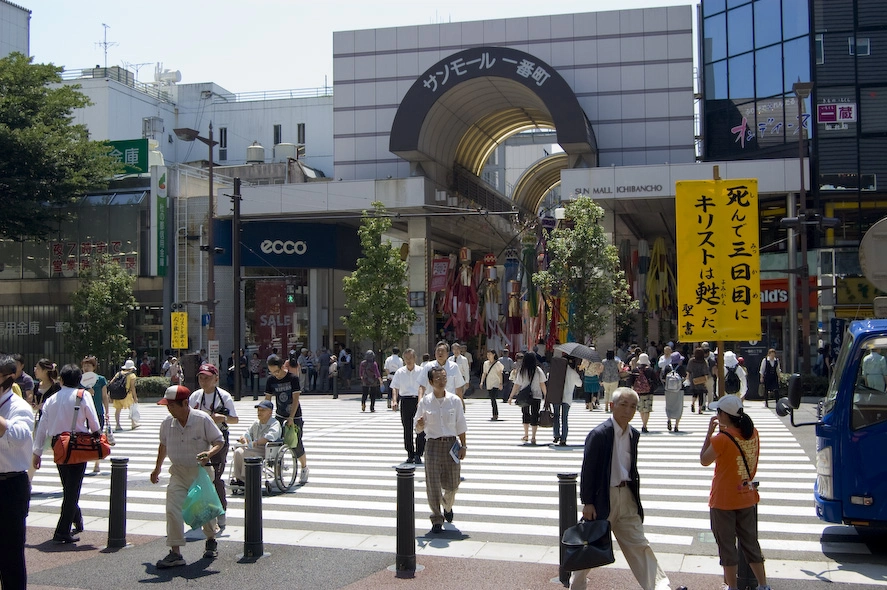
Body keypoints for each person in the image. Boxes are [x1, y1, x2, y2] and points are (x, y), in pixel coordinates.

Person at [570, 387, 685, 590]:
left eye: (633, 406)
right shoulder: (599, 434)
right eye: (623, 405)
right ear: (612, 406)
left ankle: (661, 586)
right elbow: (588, 469)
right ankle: (577, 586)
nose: (628, 410)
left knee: (640, 545)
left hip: (627, 496)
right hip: (604, 497)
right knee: (590, 544)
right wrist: (587, 501)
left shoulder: (633, 434)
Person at [150, 385, 224, 568]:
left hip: (200, 472)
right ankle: (175, 552)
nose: (169, 409)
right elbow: (163, 446)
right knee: (172, 509)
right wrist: (157, 468)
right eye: (167, 406)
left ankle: (211, 539)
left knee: (204, 510)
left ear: (185, 403)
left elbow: (219, 441)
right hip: (178, 472)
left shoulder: (202, 419)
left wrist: (209, 453)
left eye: (172, 405)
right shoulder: (168, 423)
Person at [700, 395, 770, 590]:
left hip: (723, 499)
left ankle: (732, 587)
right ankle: (763, 585)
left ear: (723, 415)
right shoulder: (753, 433)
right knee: (750, 544)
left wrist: (709, 433)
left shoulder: (721, 439)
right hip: (747, 496)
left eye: (718, 412)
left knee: (727, 546)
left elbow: (704, 460)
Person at [32, 364, 101, 545]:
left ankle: (76, 519)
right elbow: (93, 422)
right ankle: (62, 531)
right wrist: (98, 435)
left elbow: (42, 428)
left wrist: (37, 452)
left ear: (61, 379)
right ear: (79, 380)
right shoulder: (83, 395)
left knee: (68, 486)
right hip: (78, 444)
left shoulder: (51, 399)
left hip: (58, 445)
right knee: (73, 488)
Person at [414, 366, 467, 534]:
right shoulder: (425, 402)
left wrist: (464, 445)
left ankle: (447, 506)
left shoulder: (454, 400)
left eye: (444, 378)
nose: (442, 381)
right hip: (433, 445)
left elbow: (461, 424)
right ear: (430, 382)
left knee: (453, 484)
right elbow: (417, 428)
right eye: (438, 378)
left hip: (452, 444)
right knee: (433, 484)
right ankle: (436, 517)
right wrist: (420, 425)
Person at [189, 363, 239, 530]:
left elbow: (235, 419)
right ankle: (202, 513)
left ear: (216, 379)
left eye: (207, 378)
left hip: (219, 439)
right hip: (198, 439)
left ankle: (221, 513)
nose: (203, 381)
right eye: (201, 377)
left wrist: (222, 418)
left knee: (216, 477)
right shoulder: (195, 396)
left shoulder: (224, 396)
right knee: (198, 477)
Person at [0, 354, 34, 589]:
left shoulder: (18, 407)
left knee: (10, 555)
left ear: (7, 378)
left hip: (9, 486)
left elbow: (19, 437)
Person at [264, 354, 309, 483]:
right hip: (279, 414)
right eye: (272, 372)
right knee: (276, 443)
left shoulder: (292, 379)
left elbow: (296, 400)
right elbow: (268, 400)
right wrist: (265, 416)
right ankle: (278, 473)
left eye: (276, 371)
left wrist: (291, 417)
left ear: (282, 366)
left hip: (294, 415)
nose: (275, 374)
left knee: (295, 443)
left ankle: (304, 467)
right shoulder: (271, 380)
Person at [230, 400, 281, 486]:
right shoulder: (256, 423)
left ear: (270, 412)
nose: (259, 412)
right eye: (259, 410)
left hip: (267, 449)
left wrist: (255, 442)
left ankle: (246, 479)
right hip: (253, 447)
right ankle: (238, 478)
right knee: (238, 451)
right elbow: (246, 434)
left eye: (262, 410)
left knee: (247, 452)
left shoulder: (274, 423)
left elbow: (269, 437)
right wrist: (243, 439)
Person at [391, 348, 426, 463]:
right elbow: (395, 387)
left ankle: (419, 453)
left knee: (421, 428)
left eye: (410, 358)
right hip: (405, 401)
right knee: (407, 428)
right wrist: (394, 400)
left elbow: (423, 386)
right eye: (406, 358)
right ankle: (410, 453)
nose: (408, 361)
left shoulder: (421, 370)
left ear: (415, 358)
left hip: (418, 400)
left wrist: (421, 401)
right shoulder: (400, 372)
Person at [507, 350, 547, 445]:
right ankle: (533, 437)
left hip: (524, 396)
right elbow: (542, 384)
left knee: (525, 415)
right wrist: (546, 395)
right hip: (536, 395)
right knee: (535, 415)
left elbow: (516, 384)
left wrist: (511, 396)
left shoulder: (522, 370)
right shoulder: (538, 370)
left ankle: (526, 435)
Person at [80, 356, 109, 475]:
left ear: (94, 367)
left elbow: (104, 396)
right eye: (84, 365)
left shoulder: (101, 379)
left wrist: (107, 411)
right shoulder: (79, 380)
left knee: (97, 437)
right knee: (83, 437)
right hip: (82, 413)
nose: (86, 368)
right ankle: (83, 460)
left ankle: (97, 462)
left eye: (89, 365)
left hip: (97, 411)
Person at [553, 355, 582, 446]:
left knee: (556, 416)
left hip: (557, 396)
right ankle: (563, 439)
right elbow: (579, 384)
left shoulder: (557, 371)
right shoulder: (572, 372)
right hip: (567, 397)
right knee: (564, 418)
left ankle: (556, 434)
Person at [629, 353, 660, 434]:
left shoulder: (635, 370)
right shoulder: (650, 370)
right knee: (647, 410)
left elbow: (630, 381)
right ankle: (644, 425)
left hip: (638, 393)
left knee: (641, 410)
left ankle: (643, 423)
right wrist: (653, 389)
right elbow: (655, 381)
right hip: (648, 392)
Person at [111, 359, 140, 431]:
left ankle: (118, 425)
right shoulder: (132, 375)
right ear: (132, 368)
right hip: (127, 395)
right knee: (131, 409)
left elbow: (111, 382)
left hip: (117, 395)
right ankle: (133, 423)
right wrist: (135, 397)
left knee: (118, 410)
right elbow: (132, 387)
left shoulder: (118, 374)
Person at [661, 351, 687, 432]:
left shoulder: (667, 367)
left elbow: (663, 378)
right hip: (679, 390)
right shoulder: (681, 368)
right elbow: (685, 377)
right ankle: (676, 426)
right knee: (679, 407)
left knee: (669, 406)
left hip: (668, 390)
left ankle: (669, 419)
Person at [481, 349, 504, 420]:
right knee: (492, 398)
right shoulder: (486, 363)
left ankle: (495, 414)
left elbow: (500, 374)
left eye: (490, 354)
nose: (488, 356)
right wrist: (482, 382)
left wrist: (500, 383)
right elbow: (484, 373)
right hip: (489, 382)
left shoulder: (498, 364)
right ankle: (494, 413)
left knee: (493, 398)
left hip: (496, 382)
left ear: (494, 355)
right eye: (487, 354)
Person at [687, 348, 710, 415]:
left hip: (693, 379)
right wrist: (706, 380)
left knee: (694, 393)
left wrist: (687, 378)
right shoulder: (704, 361)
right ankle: (700, 409)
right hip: (701, 379)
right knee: (701, 394)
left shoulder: (691, 361)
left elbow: (688, 370)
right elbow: (706, 372)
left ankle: (693, 403)